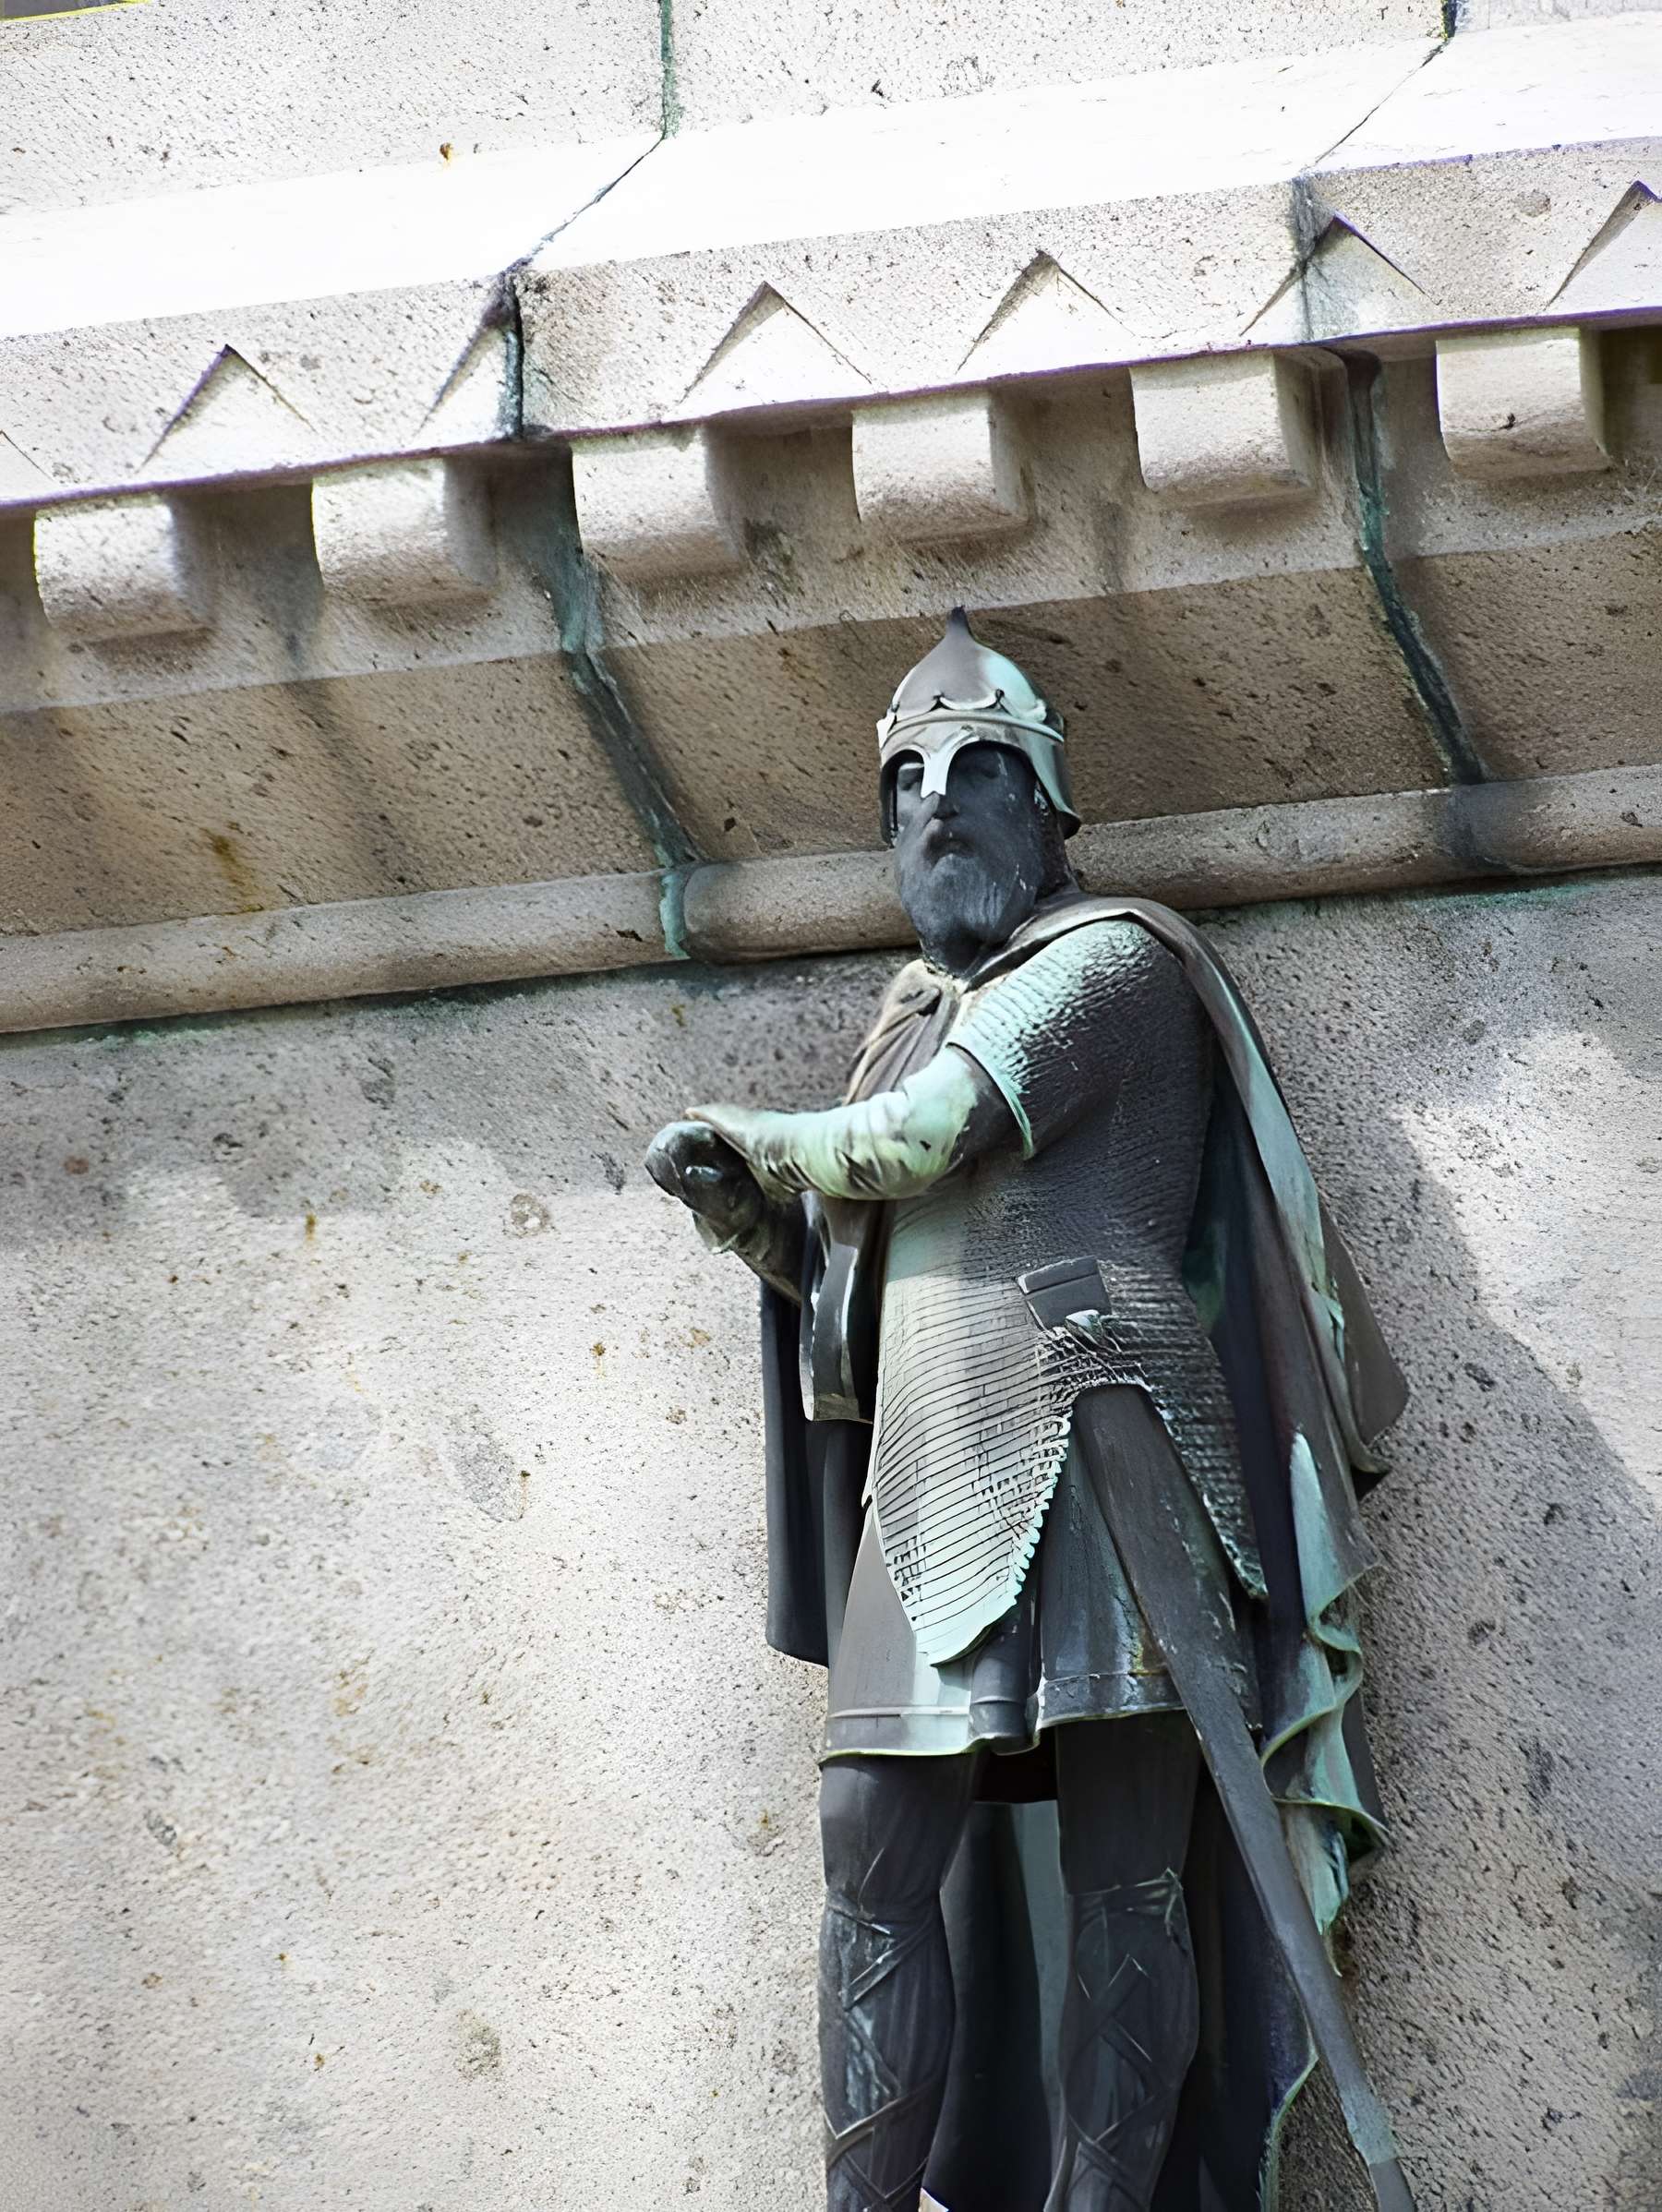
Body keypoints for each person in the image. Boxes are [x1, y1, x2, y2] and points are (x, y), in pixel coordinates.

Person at [647, 610, 1408, 2212]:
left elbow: (925, 1143)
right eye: (914, 783)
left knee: (1132, 1878)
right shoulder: (911, 1003)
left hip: (1104, 1435)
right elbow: (865, 1270)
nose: (944, 805)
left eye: (985, 772)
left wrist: (755, 1126)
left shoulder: (1116, 962)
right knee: (871, 1848)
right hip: (927, 1476)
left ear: (1054, 813)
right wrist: (750, 1217)